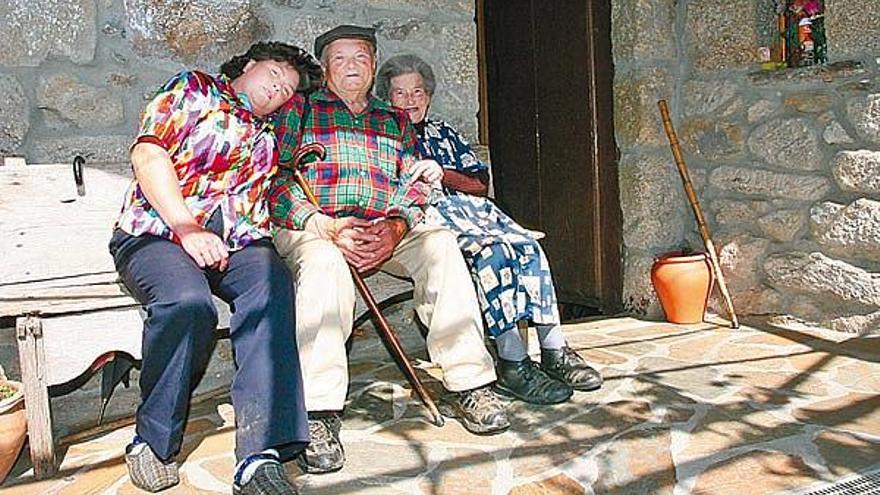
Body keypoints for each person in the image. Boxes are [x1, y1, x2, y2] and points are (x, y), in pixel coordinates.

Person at [270, 25, 510, 475]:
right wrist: (324, 225)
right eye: (339, 59)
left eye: (360, 57)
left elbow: (413, 183)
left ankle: (471, 383)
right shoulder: (298, 111)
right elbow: (275, 181)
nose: (351, 67)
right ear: (324, 68)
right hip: (316, 226)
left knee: (440, 244)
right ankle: (319, 413)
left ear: (374, 64)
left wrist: (397, 227)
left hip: (383, 225)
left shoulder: (393, 119)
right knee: (324, 264)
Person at [109, 41, 320, 495]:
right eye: (273, 75)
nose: (277, 91)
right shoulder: (194, 90)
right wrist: (187, 227)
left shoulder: (268, 133)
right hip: (158, 233)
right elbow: (149, 154)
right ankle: (152, 440)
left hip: (235, 244)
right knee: (188, 303)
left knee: (271, 286)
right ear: (247, 64)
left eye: (286, 90)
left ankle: (261, 452)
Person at [376, 54, 603, 406]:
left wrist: (443, 171)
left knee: (527, 247)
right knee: (492, 254)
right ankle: (513, 362)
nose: (410, 101)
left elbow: (480, 183)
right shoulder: (382, 138)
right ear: (387, 100)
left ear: (429, 96)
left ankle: (555, 350)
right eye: (400, 94)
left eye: (417, 92)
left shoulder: (443, 133)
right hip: (430, 224)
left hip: (475, 214)